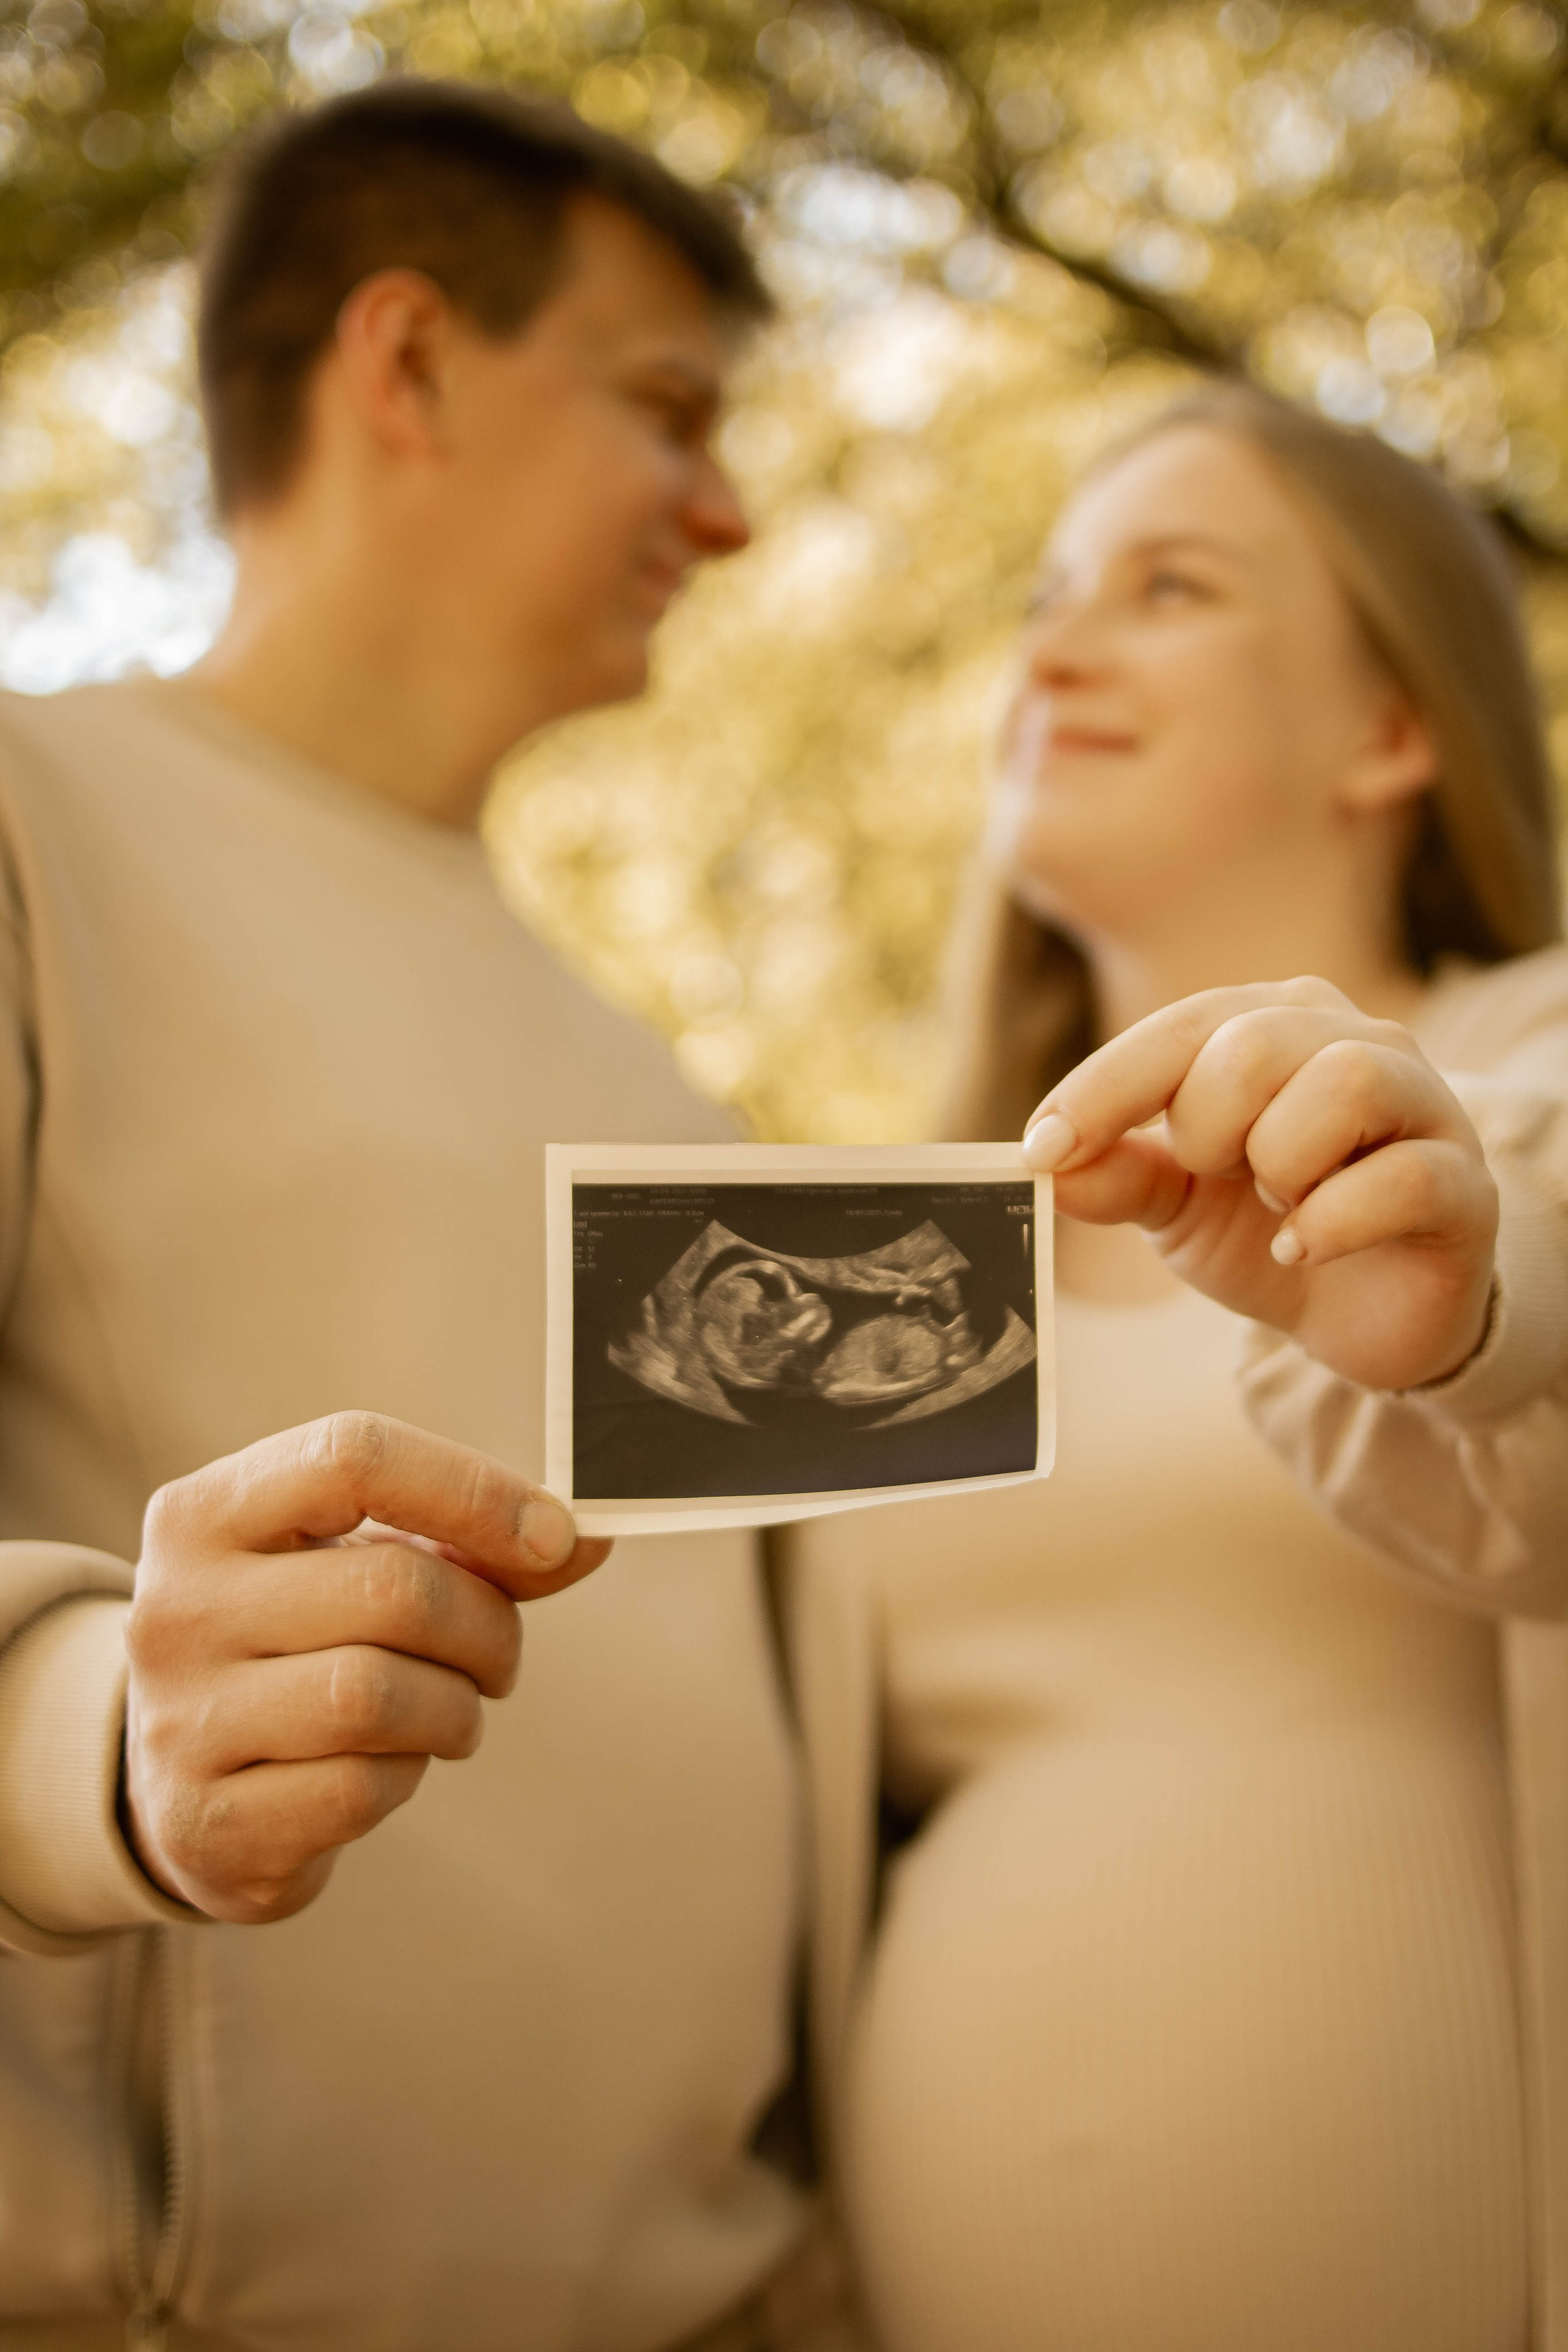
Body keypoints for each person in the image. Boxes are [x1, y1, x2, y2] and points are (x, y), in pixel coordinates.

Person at [0, 80, 831, 2352]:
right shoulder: (32, 821)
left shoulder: (679, 1092)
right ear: (408, 362)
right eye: (672, 408)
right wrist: (88, 1746)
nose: (735, 514)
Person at [782, 385, 1568, 2352]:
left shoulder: (1539, 1071)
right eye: (1048, 598)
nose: (1050, 652)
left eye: (1170, 587)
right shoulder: (868, 1257)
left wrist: (1473, 1312)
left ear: (1392, 729)